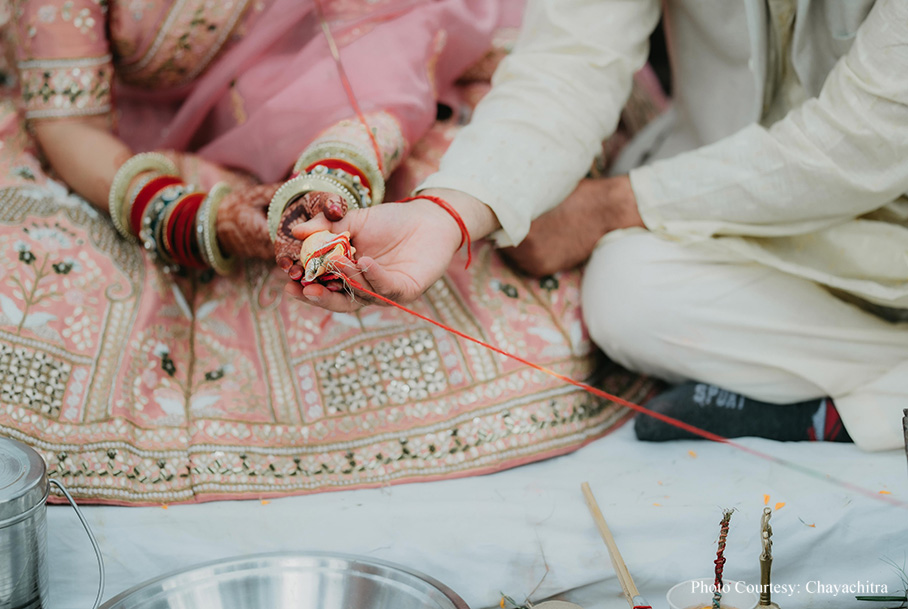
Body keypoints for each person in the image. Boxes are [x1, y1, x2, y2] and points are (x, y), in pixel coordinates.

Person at [0, 0, 669, 503]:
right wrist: (202, 220)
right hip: (141, 148)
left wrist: (339, 174)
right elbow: (71, 125)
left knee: (498, 225)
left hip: (400, 93)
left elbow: (397, 33)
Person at [285, 0, 908, 452]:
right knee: (627, 295)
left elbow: (857, 144)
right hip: (719, 193)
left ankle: (852, 405)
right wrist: (448, 211)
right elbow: (570, 64)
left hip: (887, 224)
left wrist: (611, 204)